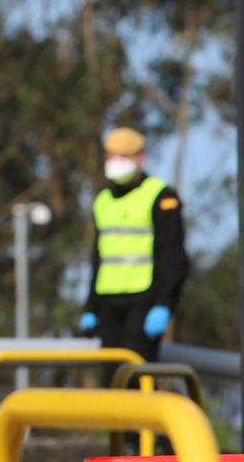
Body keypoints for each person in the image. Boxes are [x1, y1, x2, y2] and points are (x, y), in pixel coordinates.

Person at [80, 127, 190, 368]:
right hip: (109, 304)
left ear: (140, 158)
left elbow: (173, 257)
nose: (115, 163)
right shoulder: (103, 200)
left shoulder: (160, 196)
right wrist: (91, 307)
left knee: (135, 378)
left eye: (123, 156)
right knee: (111, 381)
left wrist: (163, 304)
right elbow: (98, 259)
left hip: (143, 302)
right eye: (111, 156)